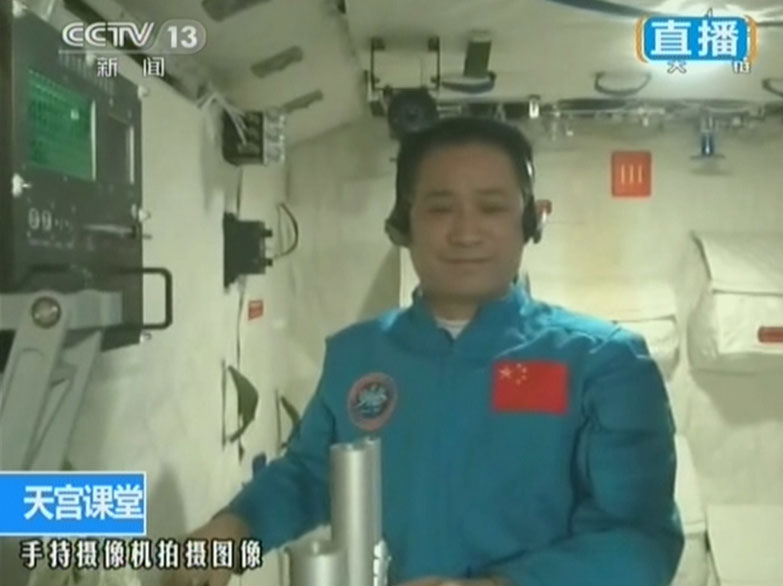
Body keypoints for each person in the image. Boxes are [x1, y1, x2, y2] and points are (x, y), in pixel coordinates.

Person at [163, 116, 684, 586]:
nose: (466, 232)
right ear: (403, 223)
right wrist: (235, 528)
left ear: (529, 221)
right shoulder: (358, 355)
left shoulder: (603, 362)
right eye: (439, 208)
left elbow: (640, 543)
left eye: (492, 207)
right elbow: (312, 475)